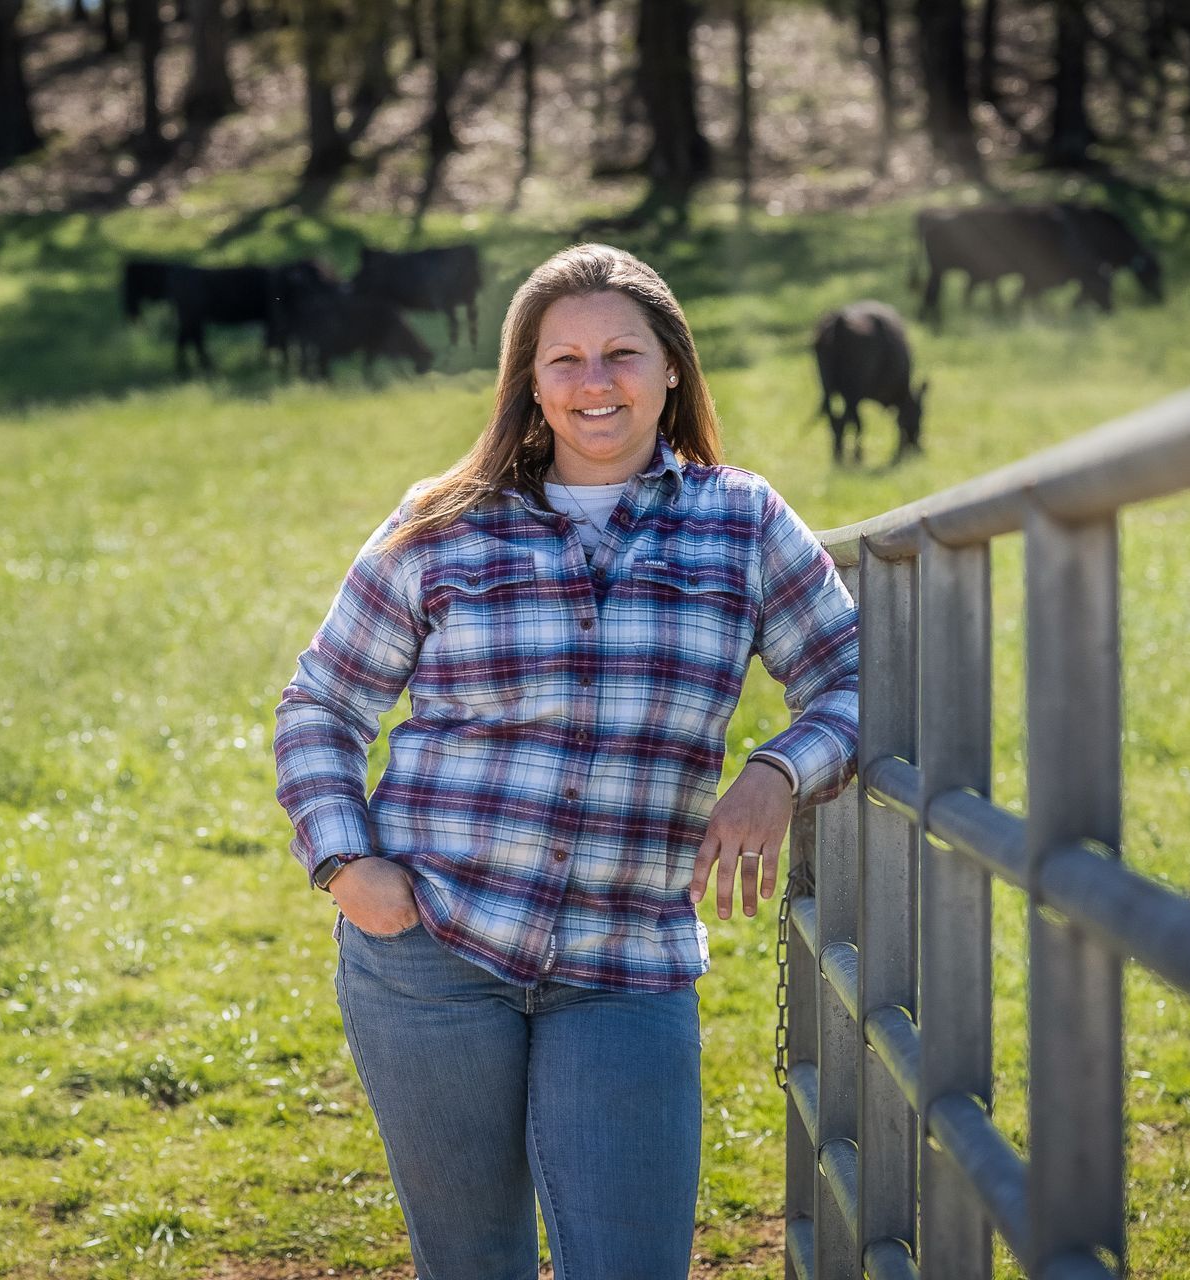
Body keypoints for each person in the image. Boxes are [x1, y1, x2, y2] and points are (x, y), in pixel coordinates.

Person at [273, 244, 858, 1279]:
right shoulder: (442, 521)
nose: (596, 383)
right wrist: (344, 863)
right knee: (472, 1260)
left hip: (624, 964)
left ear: (672, 366)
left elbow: (859, 681)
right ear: (529, 382)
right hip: (431, 949)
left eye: (623, 354)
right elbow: (321, 702)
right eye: (565, 360)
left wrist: (778, 770)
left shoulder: (742, 521)